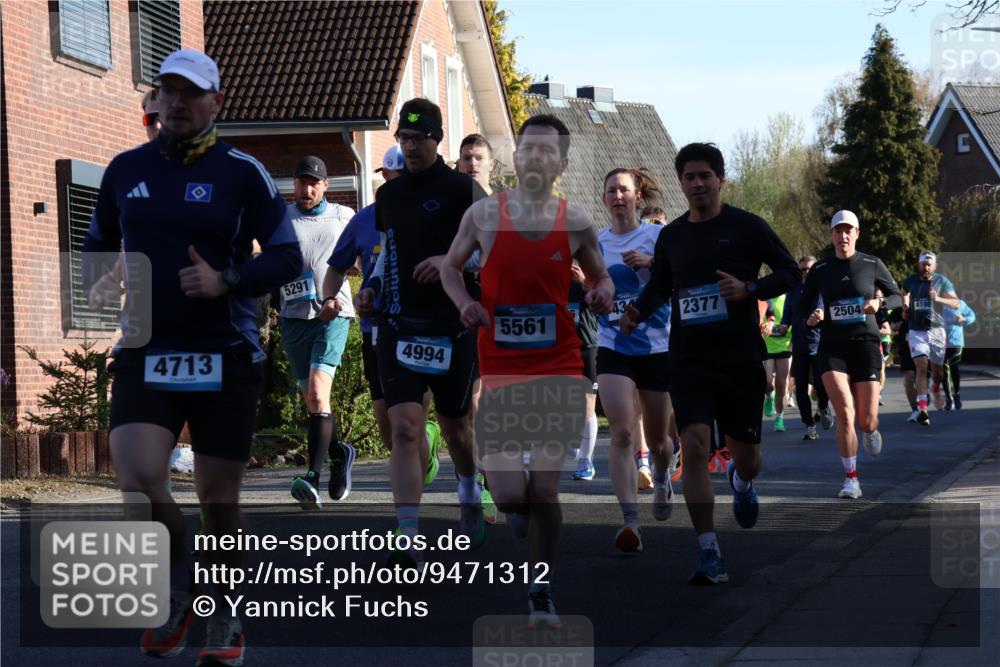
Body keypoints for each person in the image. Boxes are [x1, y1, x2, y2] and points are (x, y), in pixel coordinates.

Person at [84, 49, 301, 665]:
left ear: (216, 103)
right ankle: (186, 588)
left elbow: (287, 256)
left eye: (189, 93)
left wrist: (228, 280)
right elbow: (99, 240)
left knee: (219, 499)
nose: (176, 103)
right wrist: (101, 279)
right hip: (146, 347)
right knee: (138, 481)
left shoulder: (243, 172)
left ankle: (221, 608)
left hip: (225, 353)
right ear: (155, 100)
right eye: (166, 91)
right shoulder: (125, 169)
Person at [440, 113, 614, 628]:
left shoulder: (576, 220)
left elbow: (601, 280)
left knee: (544, 489)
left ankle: (541, 590)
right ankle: (515, 514)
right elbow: (451, 267)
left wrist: (602, 292)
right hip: (500, 370)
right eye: (526, 149)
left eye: (545, 151)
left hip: (558, 364)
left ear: (560, 164)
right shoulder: (483, 217)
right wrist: (463, 304)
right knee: (514, 495)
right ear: (514, 158)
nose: (534, 157)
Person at [621, 142, 799, 585]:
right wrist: (636, 313)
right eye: (689, 177)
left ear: (720, 179)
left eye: (705, 175)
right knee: (695, 448)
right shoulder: (673, 236)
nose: (697, 184)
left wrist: (750, 289)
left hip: (739, 358)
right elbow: (660, 285)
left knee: (749, 459)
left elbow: (790, 272)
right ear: (681, 183)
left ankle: (742, 480)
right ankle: (709, 552)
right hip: (688, 359)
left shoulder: (747, 227)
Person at [355, 98, 488, 567]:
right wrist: (370, 288)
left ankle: (469, 485)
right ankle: (407, 532)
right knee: (406, 428)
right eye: (402, 139)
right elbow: (386, 254)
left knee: (456, 427)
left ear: (437, 139)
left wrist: (452, 263)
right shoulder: (388, 197)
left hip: (452, 324)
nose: (409, 147)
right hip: (398, 325)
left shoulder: (465, 192)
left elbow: (493, 254)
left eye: (417, 138)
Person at [324, 146, 445, 490]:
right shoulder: (363, 220)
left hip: (417, 328)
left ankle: (409, 516)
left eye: (398, 176)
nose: (390, 183)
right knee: (390, 431)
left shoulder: (430, 216)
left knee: (409, 423)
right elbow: (335, 268)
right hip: (375, 333)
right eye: (386, 176)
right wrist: (331, 298)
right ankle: (426, 448)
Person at [596, 167, 675, 552]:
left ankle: (662, 478)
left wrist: (651, 263)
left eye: (624, 189)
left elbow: (681, 278)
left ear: (638, 197)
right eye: (611, 190)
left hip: (656, 347)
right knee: (624, 431)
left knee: (660, 440)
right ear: (604, 199)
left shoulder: (659, 236)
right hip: (614, 345)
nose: (618, 196)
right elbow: (590, 293)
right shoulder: (595, 244)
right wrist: (586, 287)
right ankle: (630, 522)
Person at [801, 211, 902, 499]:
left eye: (848, 231)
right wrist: (813, 315)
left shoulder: (872, 263)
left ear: (857, 233)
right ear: (831, 235)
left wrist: (878, 302)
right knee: (845, 412)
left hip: (865, 344)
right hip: (832, 347)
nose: (843, 236)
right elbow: (803, 304)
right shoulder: (821, 269)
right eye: (838, 231)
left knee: (866, 419)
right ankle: (851, 480)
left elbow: (897, 296)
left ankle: (870, 431)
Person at [280, 155, 357, 508]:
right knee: (315, 402)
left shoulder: (343, 217)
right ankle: (340, 453)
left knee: (315, 392)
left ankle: (312, 477)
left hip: (333, 314)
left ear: (326, 185)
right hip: (293, 316)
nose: (307, 188)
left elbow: (363, 259)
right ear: (293, 183)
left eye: (314, 182)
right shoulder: (281, 219)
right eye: (301, 181)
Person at [900, 252, 961, 425]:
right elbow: (903, 292)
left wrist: (939, 298)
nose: (926, 267)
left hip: (936, 331)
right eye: (923, 264)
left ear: (934, 266)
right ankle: (923, 409)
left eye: (929, 264)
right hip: (916, 331)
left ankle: (935, 387)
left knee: (938, 372)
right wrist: (905, 304)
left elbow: (956, 303)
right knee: (921, 366)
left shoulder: (942, 281)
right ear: (919, 265)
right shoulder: (911, 280)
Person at [779, 255, 832, 440]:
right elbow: (787, 314)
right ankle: (810, 426)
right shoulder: (793, 291)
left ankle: (824, 406)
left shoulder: (822, 288)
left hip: (819, 343)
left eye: (810, 268)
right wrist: (784, 325)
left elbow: (826, 310)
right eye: (803, 269)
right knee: (800, 388)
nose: (806, 272)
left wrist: (821, 315)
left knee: (820, 383)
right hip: (800, 345)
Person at [568, 263, 600, 481]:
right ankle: (572, 447)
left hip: (586, 347)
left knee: (588, 405)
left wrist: (585, 284)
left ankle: (585, 462)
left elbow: (603, 303)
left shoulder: (586, 270)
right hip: (558, 349)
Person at [761, 294, 792, 432]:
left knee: (781, 384)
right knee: (767, 382)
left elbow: (795, 321)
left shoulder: (788, 300)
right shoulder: (765, 300)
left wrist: (793, 342)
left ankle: (779, 418)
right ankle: (769, 396)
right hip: (767, 347)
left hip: (784, 347)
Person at [942, 299, 976, 410]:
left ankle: (956, 395)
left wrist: (964, 319)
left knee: (948, 366)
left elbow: (972, 316)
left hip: (956, 342)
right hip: (940, 343)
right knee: (949, 368)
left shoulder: (959, 303)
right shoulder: (936, 304)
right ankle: (949, 398)